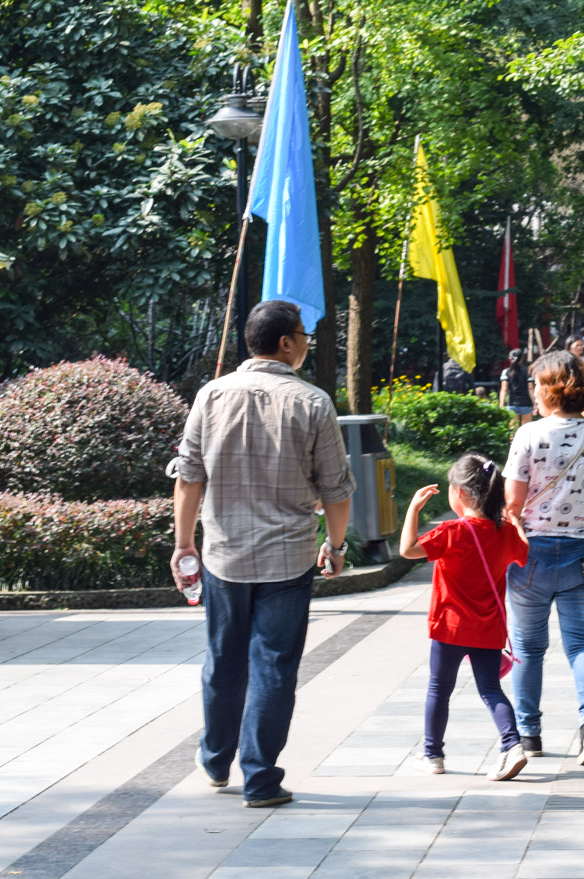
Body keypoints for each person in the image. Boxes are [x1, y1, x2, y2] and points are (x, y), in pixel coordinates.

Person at [172, 299, 354, 809]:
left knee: (223, 660)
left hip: (223, 556)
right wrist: (335, 547)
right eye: (303, 335)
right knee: (274, 666)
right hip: (288, 558)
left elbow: (189, 476)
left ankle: (214, 759)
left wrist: (185, 544)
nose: (306, 343)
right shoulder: (313, 402)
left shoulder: (210, 395)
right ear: (286, 343)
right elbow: (337, 490)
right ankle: (260, 779)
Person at [503, 351, 584, 766]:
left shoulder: (528, 435)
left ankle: (529, 734)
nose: (532, 392)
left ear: (549, 390)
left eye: (536, 384)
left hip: (530, 555)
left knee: (528, 648)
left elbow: (513, 504)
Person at [399, 453, 530, 781]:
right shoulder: (503, 534)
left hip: (450, 628)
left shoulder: (451, 532)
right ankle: (512, 745)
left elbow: (408, 550)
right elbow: (524, 553)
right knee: (490, 689)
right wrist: (516, 523)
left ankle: (433, 755)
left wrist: (413, 509)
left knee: (438, 689)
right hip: (488, 629)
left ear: (459, 493)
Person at [500, 349, 534, 424]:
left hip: (512, 403)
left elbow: (504, 389)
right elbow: (530, 388)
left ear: (509, 359)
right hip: (526, 404)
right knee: (526, 430)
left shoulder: (506, 372)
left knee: (512, 430)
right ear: (522, 358)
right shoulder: (528, 371)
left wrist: (501, 405)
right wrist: (535, 403)